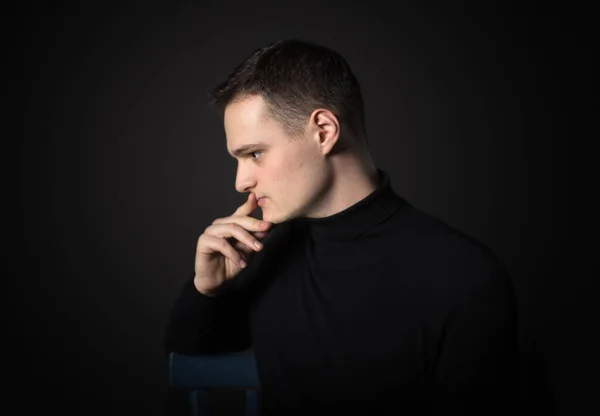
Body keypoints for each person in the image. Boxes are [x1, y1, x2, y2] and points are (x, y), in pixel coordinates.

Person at [164, 39, 519, 415]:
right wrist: (208, 290)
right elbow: (191, 352)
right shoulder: (266, 250)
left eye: (255, 154)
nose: (241, 182)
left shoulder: (464, 277)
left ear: (323, 131)